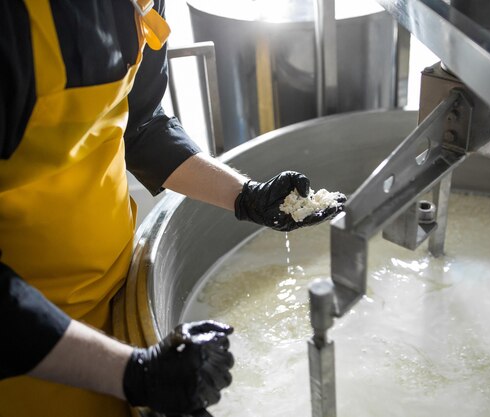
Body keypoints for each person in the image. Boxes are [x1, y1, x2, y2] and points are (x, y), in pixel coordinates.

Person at [0, 1, 345, 416]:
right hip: (28, 355)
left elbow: (139, 124)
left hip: (116, 294)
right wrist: (134, 372)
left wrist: (247, 196)